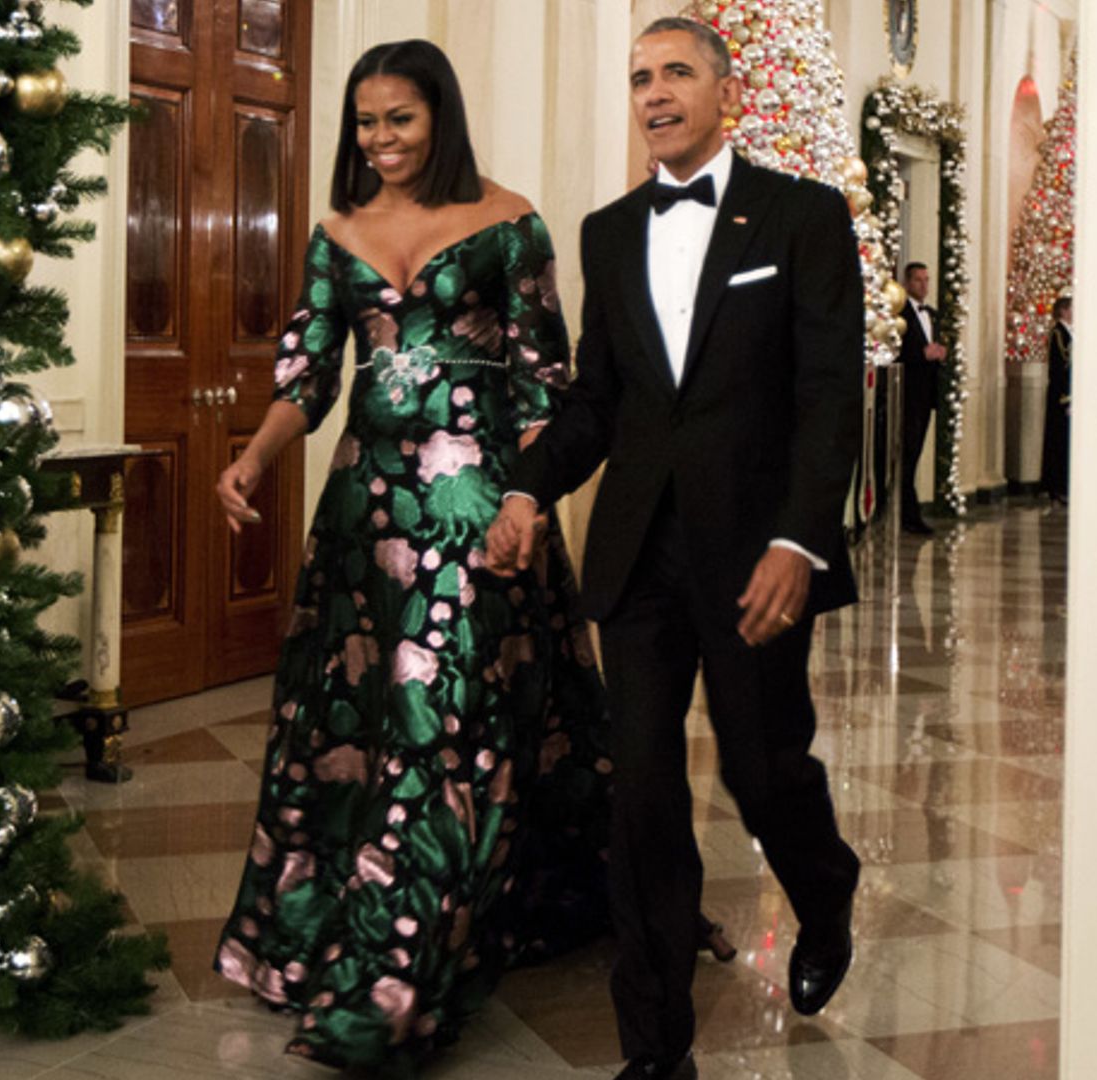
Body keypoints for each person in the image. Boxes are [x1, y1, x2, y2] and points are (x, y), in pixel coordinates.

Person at [209, 40, 615, 1074]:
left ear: (442, 117)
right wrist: (253, 460)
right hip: (362, 513)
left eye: (401, 118)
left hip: (474, 510)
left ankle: (393, 980)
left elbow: (544, 383)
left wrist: (524, 505)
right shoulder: (337, 231)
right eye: (365, 121)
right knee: (365, 716)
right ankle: (350, 928)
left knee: (442, 723)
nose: (381, 139)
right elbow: (307, 374)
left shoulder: (508, 221)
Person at [486, 17, 864, 1080]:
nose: (654, 92)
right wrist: (527, 486)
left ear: (726, 92)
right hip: (639, 556)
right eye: (641, 76)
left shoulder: (803, 216)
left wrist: (799, 538)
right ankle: (655, 1051)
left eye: (677, 73)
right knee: (641, 793)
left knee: (763, 769)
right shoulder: (608, 232)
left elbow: (832, 396)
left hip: (755, 558)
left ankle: (824, 887)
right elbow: (597, 402)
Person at [889, 261, 947, 534]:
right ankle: (907, 514)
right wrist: (921, 354)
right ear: (907, 283)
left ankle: (909, 513)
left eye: (927, 280)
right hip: (905, 394)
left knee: (915, 453)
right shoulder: (900, 315)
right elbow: (893, 352)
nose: (924, 285)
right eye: (919, 281)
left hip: (925, 396)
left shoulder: (933, 315)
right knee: (906, 455)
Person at [1040, 295, 1073, 503]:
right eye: (1071, 308)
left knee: (1065, 443)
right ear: (1063, 311)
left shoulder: (1070, 333)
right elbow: (1060, 369)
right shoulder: (1058, 334)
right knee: (1058, 442)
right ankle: (1056, 487)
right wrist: (1067, 399)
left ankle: (1064, 485)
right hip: (1062, 396)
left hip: (1070, 394)